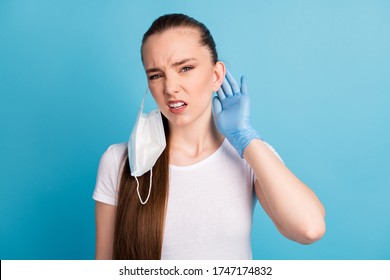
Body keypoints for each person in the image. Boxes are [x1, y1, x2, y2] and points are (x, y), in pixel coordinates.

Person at [92, 13, 326, 260]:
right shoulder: (121, 161)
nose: (170, 87)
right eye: (156, 75)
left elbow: (309, 229)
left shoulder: (250, 156)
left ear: (216, 76)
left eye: (185, 68)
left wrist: (245, 139)